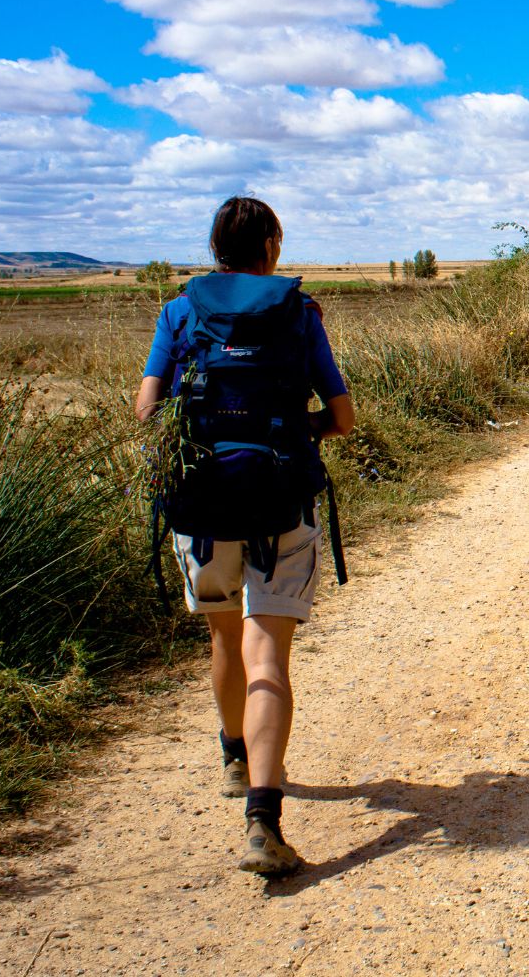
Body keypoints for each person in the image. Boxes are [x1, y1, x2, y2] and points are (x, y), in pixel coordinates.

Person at [134, 196, 354, 877]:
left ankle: (234, 756)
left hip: (201, 509)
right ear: (272, 246)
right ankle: (263, 817)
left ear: (215, 247)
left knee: (224, 636)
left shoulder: (181, 311)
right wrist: (289, 433)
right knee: (270, 656)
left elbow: (147, 411)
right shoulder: (298, 310)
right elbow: (342, 416)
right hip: (281, 504)